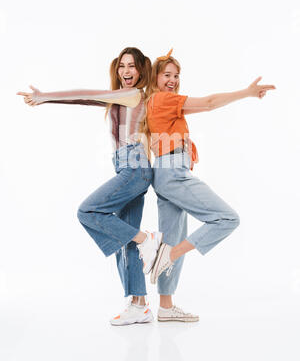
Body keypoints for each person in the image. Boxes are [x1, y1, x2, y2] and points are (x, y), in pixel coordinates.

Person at [17, 47, 163, 326]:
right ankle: (140, 305)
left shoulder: (133, 94)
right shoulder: (122, 97)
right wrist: (46, 102)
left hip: (134, 168)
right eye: (122, 66)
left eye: (132, 66)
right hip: (128, 168)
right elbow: (83, 101)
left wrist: (44, 95)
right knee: (126, 237)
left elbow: (85, 92)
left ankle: (148, 240)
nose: (126, 71)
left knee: (88, 212)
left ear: (141, 71)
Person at [143, 49, 276, 322]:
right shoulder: (163, 99)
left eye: (177, 75)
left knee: (172, 234)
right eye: (167, 74)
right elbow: (209, 102)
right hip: (172, 173)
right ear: (155, 77)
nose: (173, 80)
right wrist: (246, 92)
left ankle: (166, 307)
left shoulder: (153, 103)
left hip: (165, 174)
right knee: (227, 218)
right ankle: (171, 253)